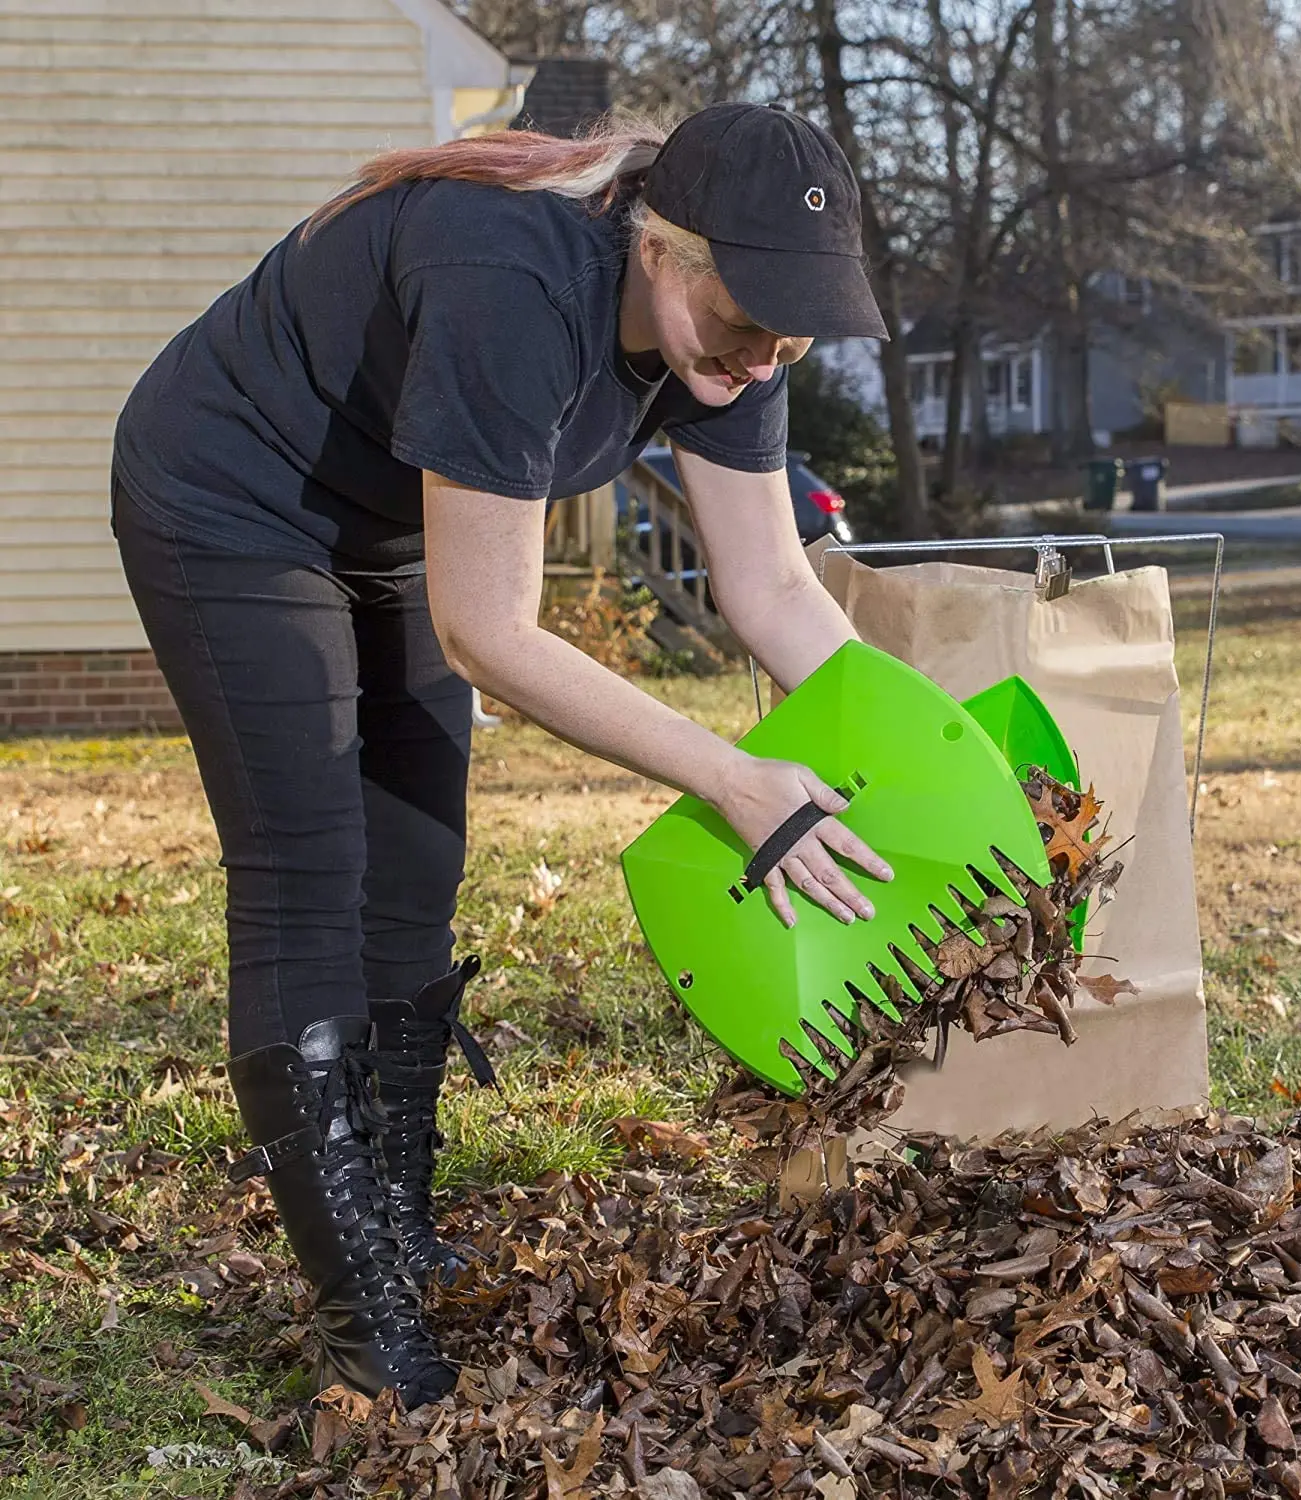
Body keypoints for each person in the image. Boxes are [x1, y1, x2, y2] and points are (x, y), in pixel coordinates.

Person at [111, 102, 895, 1407]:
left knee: (416, 870)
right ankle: (366, 1309)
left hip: (395, 525)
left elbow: (771, 589)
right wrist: (739, 780)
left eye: (789, 330)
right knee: (313, 865)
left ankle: (399, 1222)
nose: (761, 357)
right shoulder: (514, 277)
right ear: (659, 247)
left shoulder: (735, 348)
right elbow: (492, 634)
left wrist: (940, 763)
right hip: (235, 501)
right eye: (744, 315)